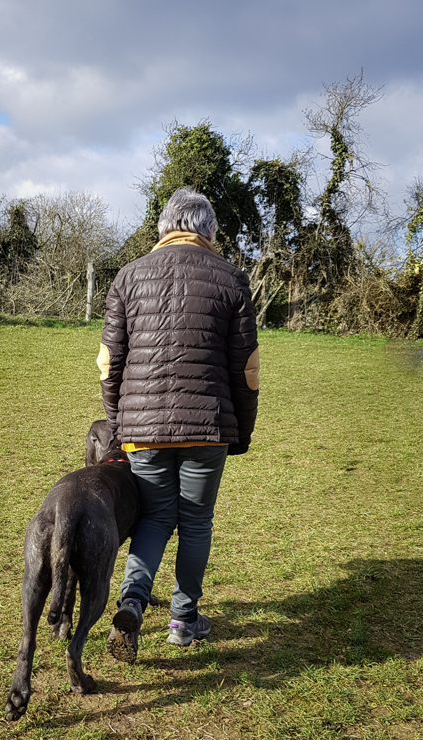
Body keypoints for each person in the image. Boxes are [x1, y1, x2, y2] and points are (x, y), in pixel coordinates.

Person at [97, 186, 259, 663]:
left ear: (163, 228)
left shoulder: (127, 277)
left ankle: (131, 602)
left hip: (141, 431)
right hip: (207, 427)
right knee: (196, 522)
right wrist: (241, 433)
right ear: (209, 230)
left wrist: (119, 423)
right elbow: (245, 370)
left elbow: (110, 363)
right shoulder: (232, 279)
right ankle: (183, 621)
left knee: (155, 517)